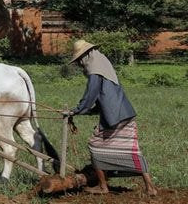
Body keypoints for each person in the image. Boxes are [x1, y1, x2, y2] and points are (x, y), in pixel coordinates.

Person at [65, 40, 158, 196]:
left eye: (80, 60)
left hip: (115, 117)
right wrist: (84, 111)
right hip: (125, 113)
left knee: (95, 145)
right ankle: (150, 187)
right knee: (132, 150)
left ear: (86, 56)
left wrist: (78, 110)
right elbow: (106, 97)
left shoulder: (95, 70)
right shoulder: (103, 64)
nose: (80, 64)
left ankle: (103, 186)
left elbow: (91, 94)